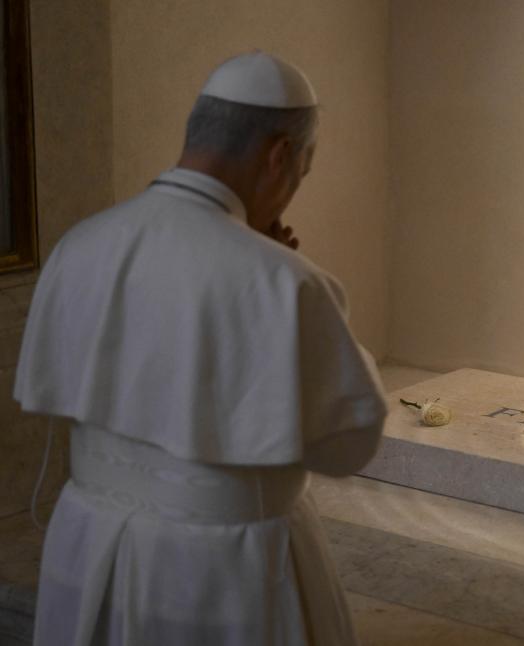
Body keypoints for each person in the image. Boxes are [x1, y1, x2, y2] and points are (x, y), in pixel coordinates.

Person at [14, 52, 387, 645]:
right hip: (220, 571)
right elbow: (348, 443)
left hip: (88, 544)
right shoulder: (286, 281)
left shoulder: (79, 243)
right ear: (279, 156)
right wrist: (279, 262)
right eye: (300, 174)